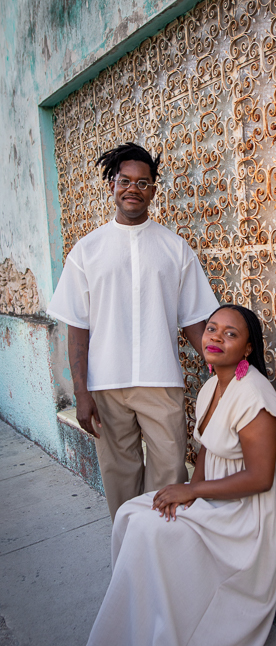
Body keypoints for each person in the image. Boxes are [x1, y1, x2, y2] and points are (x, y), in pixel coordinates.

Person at [50, 305, 276, 646]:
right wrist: (194, 500)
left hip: (258, 510)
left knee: (155, 533)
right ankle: (130, 642)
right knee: (134, 515)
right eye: (211, 329)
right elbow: (207, 448)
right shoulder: (212, 386)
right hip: (221, 494)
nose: (216, 338)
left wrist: (194, 491)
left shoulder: (254, 395)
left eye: (230, 334)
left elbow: (260, 478)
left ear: (247, 349)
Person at [47, 143, 219, 519]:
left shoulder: (175, 249)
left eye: (143, 183)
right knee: (120, 480)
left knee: (169, 478)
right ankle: (127, 556)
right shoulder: (86, 251)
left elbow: (194, 320)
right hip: (105, 386)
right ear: (112, 184)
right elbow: (77, 329)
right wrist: (81, 392)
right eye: (125, 180)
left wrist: (225, 372)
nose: (133, 189)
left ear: (153, 191)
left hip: (161, 381)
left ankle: (158, 553)